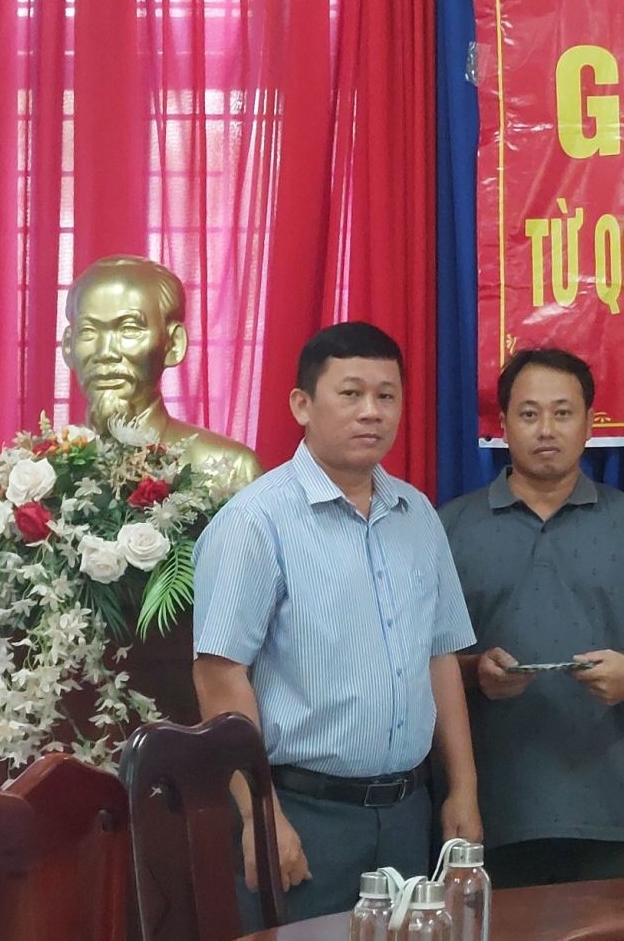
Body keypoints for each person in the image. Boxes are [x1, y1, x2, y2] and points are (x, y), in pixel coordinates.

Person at [193, 322, 480, 924]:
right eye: (351, 393)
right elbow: (219, 676)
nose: (371, 411)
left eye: (386, 395)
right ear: (303, 404)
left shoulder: (417, 515)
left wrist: (463, 790)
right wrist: (261, 816)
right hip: (303, 812)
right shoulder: (255, 521)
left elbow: (440, 656)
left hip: (407, 811)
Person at [440, 348, 624, 887]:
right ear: (503, 424)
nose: (546, 430)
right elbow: (422, 658)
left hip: (616, 809)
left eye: (563, 412)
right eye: (529, 414)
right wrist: (476, 672)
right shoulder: (449, 527)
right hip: (492, 807)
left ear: (590, 423)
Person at [61, 254, 261, 495]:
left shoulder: (231, 470)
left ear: (174, 344)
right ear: (68, 346)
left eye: (129, 329)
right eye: (88, 331)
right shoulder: (42, 474)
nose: (105, 353)